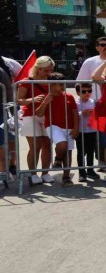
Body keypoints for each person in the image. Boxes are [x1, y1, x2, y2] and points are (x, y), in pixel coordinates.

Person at [16, 56, 55, 185]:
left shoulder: (53, 80)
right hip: (30, 115)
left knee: (47, 145)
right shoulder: (27, 81)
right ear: (38, 69)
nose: (49, 73)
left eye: (51, 70)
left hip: (48, 115)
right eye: (46, 70)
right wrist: (32, 99)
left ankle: (45, 173)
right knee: (35, 146)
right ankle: (33, 174)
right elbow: (19, 100)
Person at [35, 72, 78, 187]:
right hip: (53, 126)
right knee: (62, 145)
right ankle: (58, 159)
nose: (63, 87)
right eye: (60, 85)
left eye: (64, 84)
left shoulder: (69, 96)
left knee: (68, 151)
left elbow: (75, 114)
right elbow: (38, 114)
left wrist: (76, 128)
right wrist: (45, 102)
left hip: (69, 127)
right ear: (52, 85)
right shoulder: (45, 96)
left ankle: (66, 176)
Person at [74, 82, 99, 181]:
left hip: (92, 130)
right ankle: (81, 172)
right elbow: (73, 116)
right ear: (78, 92)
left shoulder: (93, 102)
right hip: (80, 131)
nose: (87, 93)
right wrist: (82, 113)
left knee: (90, 151)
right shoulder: (76, 103)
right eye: (83, 91)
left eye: (89, 91)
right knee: (81, 152)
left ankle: (90, 169)